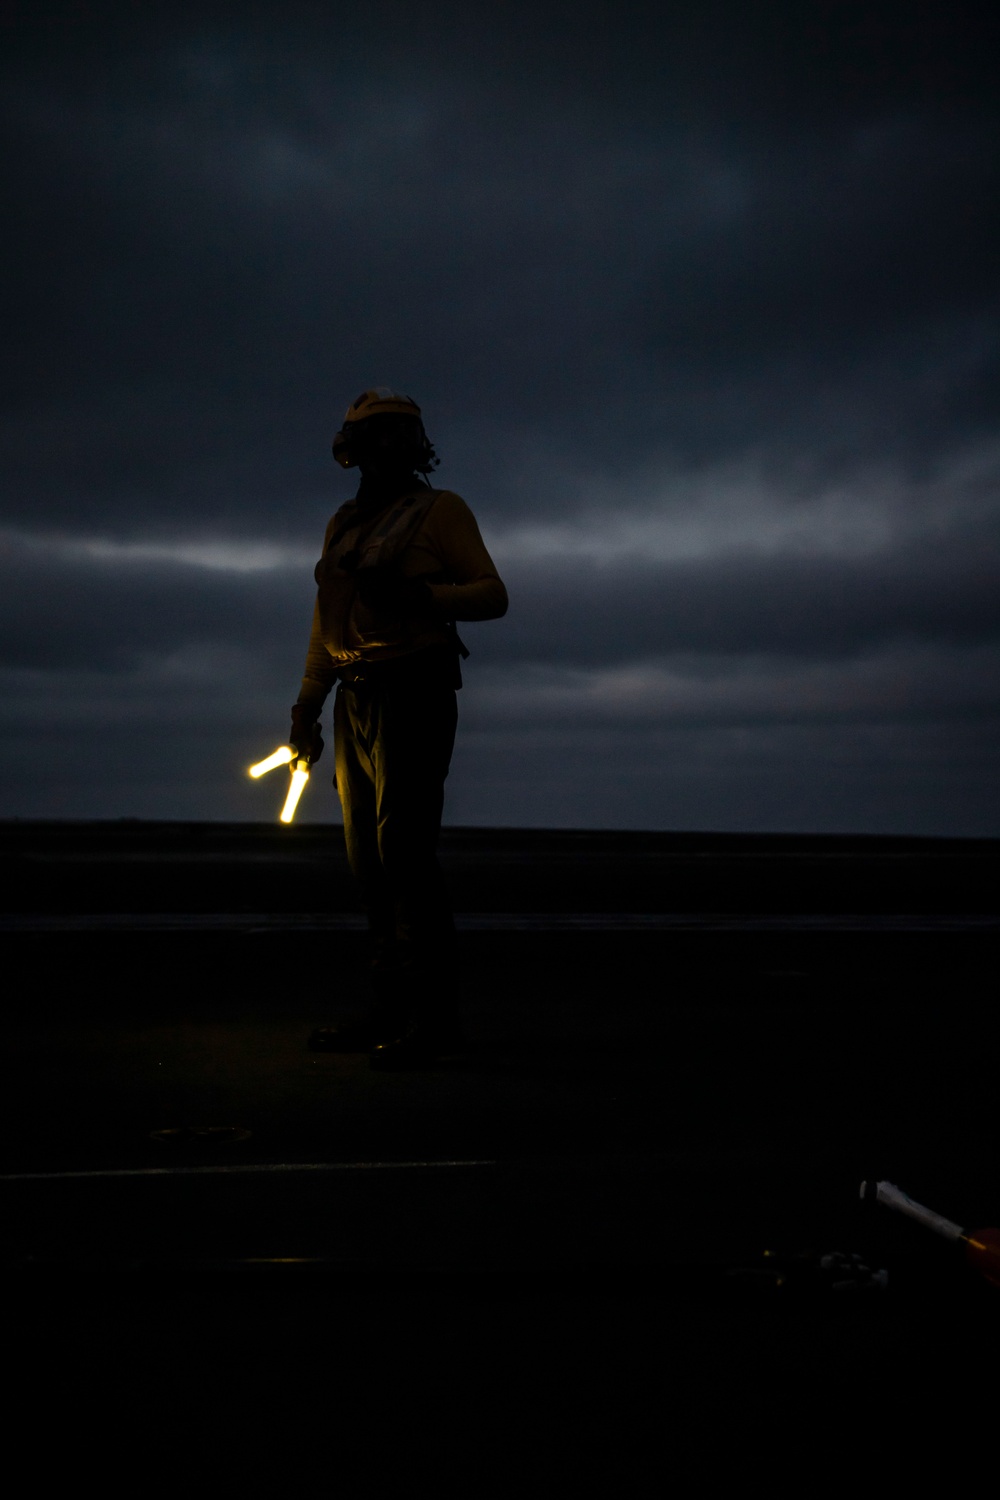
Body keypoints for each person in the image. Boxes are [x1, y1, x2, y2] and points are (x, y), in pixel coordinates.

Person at [289, 387, 508, 1069]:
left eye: (394, 436)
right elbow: (326, 624)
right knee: (369, 862)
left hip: (414, 689)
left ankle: (433, 1023)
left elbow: (492, 594)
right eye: (371, 437)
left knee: (404, 856)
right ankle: (390, 1011)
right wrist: (307, 707)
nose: (381, 449)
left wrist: (423, 597)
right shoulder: (344, 523)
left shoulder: (441, 512)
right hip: (355, 697)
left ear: (411, 445)